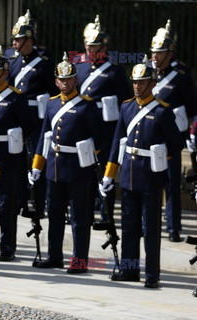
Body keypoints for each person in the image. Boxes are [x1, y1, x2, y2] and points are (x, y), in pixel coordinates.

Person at [99, 55, 184, 288]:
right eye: (134, 82)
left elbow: (176, 143)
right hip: (128, 175)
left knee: (151, 228)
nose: (137, 86)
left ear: (151, 83)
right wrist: (109, 174)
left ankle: (152, 274)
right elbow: (117, 143)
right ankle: (130, 269)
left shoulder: (162, 111)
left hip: (150, 176)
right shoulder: (126, 107)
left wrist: (161, 154)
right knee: (129, 225)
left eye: (141, 82)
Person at [29, 53, 107, 274]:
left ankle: (79, 261)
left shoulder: (86, 106)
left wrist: (86, 155)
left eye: (69, 79)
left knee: (79, 218)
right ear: (56, 81)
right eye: (61, 80)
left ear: (76, 80)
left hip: (78, 169)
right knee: (54, 215)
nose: (65, 83)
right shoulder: (52, 105)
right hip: (53, 168)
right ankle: (54, 256)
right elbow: (45, 135)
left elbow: (100, 139)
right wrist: (37, 166)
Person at [75, 15, 132, 230]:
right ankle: (86, 212)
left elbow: (125, 101)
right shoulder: (78, 66)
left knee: (105, 170)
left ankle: (106, 214)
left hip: (106, 128)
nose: (90, 50)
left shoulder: (114, 70)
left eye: (95, 47)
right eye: (88, 46)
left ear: (104, 47)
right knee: (85, 170)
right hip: (84, 126)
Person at [0, 46, 35, 260]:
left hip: (7, 157)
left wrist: (15, 135)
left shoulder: (15, 98)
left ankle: (7, 247)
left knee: (7, 204)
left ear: (4, 72)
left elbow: (28, 126)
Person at [149, 20, 197, 242]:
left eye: (159, 53)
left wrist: (189, 134)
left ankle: (172, 228)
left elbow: (192, 108)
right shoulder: (147, 72)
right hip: (149, 135)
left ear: (170, 54)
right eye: (153, 52)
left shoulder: (181, 76)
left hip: (171, 138)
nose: (155, 57)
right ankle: (146, 223)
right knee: (147, 183)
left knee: (170, 183)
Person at [8, 10, 58, 221]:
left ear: (29, 39)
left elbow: (53, 90)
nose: (15, 43)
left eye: (19, 39)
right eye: (15, 40)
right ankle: (20, 200)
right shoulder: (11, 61)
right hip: (18, 114)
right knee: (19, 159)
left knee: (37, 158)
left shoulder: (44, 61)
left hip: (37, 116)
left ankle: (39, 203)